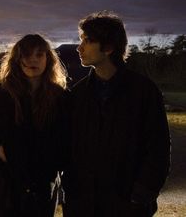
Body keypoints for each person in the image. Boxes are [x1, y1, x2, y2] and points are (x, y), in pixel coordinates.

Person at [62, 11, 171, 217]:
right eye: (81, 40)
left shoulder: (144, 92)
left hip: (127, 206)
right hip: (84, 205)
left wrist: (142, 194)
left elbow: (159, 148)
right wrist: (72, 190)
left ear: (109, 47)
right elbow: (68, 147)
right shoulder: (78, 94)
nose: (79, 47)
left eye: (88, 41)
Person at [0, 34, 68, 217]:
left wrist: (54, 162)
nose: (33, 60)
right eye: (27, 55)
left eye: (39, 54)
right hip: (9, 185)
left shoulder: (59, 97)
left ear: (48, 59)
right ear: (17, 59)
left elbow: (68, 138)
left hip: (45, 185)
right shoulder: (0, 94)